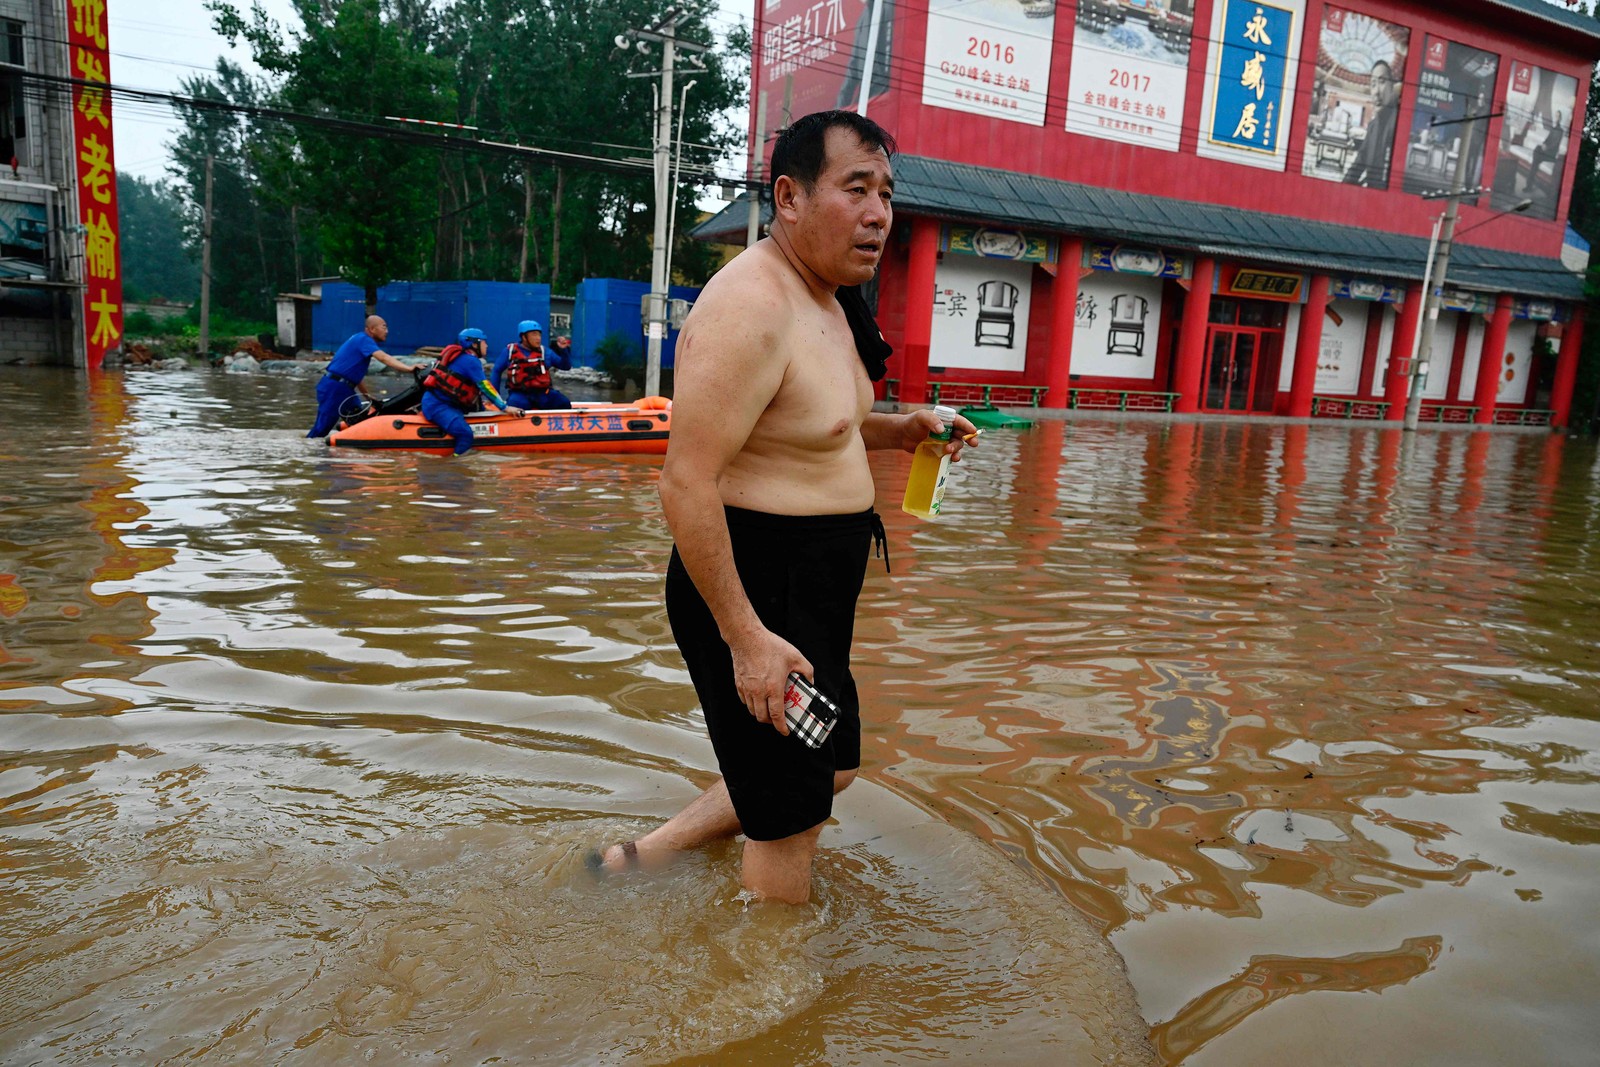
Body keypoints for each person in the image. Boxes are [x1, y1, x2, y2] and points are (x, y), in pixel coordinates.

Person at [587, 110, 977, 904]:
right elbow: (685, 482)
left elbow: (809, 426)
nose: (878, 215)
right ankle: (770, 998)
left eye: (887, 194)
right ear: (790, 198)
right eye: (856, 189)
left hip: (815, 587)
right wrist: (748, 639)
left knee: (828, 768)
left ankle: (648, 853)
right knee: (789, 821)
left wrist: (901, 431)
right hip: (756, 587)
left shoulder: (830, 296)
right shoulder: (750, 307)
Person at [420, 327, 525, 455]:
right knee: (465, 435)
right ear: (474, 344)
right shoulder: (470, 361)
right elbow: (485, 386)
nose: (486, 345)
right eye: (484, 342)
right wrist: (505, 407)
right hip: (438, 406)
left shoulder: (464, 358)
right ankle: (455, 466)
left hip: (448, 403)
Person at [307, 315, 415, 438]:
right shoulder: (364, 340)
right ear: (372, 329)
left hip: (345, 388)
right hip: (335, 388)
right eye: (384, 327)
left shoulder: (360, 339)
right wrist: (409, 369)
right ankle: (308, 452)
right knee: (321, 430)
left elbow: (356, 376)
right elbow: (383, 358)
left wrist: (367, 396)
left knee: (360, 419)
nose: (387, 331)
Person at [1343, 60, 1400, 188]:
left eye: (1382, 81)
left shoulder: (1400, 123)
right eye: (1373, 84)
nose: (1376, 92)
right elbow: (1358, 165)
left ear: (1392, 86)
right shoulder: (1373, 126)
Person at [492, 319, 572, 411]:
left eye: (539, 334)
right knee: (515, 404)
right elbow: (496, 371)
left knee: (564, 403)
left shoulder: (545, 352)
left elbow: (566, 366)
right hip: (520, 395)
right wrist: (496, 398)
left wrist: (563, 350)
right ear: (523, 337)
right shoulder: (509, 351)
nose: (538, 338)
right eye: (534, 334)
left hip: (543, 394)